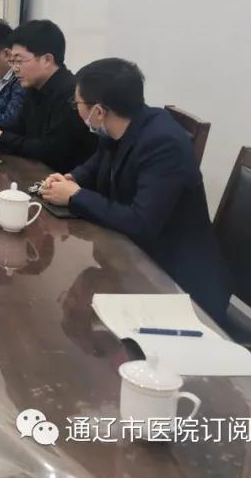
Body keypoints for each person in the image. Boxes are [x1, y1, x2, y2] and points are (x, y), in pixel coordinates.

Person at [39, 58, 232, 323]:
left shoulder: (163, 143)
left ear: (99, 111)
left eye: (78, 103)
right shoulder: (121, 126)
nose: (76, 110)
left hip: (177, 283)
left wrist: (75, 196)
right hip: (135, 261)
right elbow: (96, 165)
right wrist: (72, 179)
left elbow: (141, 222)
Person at [0, 19, 95, 172]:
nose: (15, 68)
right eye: (12, 61)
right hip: (35, 173)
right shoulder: (34, 87)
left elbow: (52, 151)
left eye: (19, 61)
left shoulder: (70, 93)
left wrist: (1, 138)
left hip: (61, 178)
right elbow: (20, 129)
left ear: (47, 60)